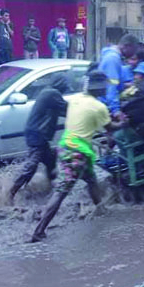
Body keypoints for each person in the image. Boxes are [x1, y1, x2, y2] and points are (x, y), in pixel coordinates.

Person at [31, 70, 124, 242]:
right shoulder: (99, 107)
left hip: (68, 147)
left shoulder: (75, 99)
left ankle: (101, 209)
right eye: (105, 87)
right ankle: (39, 231)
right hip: (76, 154)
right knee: (61, 192)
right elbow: (110, 128)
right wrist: (124, 121)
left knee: (91, 180)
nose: (106, 90)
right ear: (98, 88)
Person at [9, 74, 69, 201]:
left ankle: (50, 188)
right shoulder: (52, 93)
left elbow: (62, 112)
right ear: (60, 85)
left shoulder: (48, 93)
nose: (66, 89)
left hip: (36, 134)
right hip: (38, 134)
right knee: (32, 165)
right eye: (65, 86)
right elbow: (68, 109)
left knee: (50, 159)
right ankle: (11, 192)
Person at [99, 33, 140, 114]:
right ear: (127, 46)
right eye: (134, 49)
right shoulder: (113, 59)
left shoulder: (111, 56)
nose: (134, 53)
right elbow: (111, 85)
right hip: (106, 106)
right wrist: (115, 110)